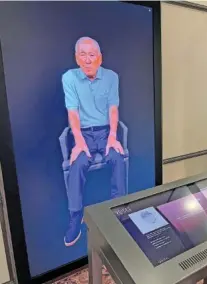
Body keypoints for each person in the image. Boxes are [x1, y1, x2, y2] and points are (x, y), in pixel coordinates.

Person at [62, 36, 126, 246]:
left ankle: (119, 210)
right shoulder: (69, 78)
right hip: (83, 133)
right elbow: (72, 113)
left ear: (100, 58)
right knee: (77, 164)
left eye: (92, 55)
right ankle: (75, 216)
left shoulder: (111, 77)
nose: (88, 60)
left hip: (105, 131)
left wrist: (113, 136)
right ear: (76, 58)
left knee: (117, 158)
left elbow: (113, 109)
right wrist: (79, 141)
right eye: (83, 55)